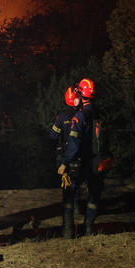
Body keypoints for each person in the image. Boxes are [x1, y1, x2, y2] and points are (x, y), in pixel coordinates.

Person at [57, 78, 103, 238]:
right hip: (97, 162)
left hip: (80, 162)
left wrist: (64, 162)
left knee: (68, 195)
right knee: (94, 196)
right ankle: (89, 228)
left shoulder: (79, 117)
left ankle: (68, 231)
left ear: (81, 94)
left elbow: (74, 146)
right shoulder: (98, 112)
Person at [50, 86, 82, 215]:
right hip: (80, 154)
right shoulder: (82, 115)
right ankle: (77, 209)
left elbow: (53, 135)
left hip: (64, 155)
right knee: (77, 183)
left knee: (67, 185)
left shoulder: (62, 117)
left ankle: (68, 216)